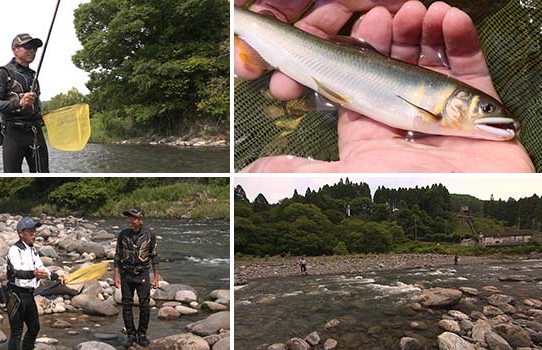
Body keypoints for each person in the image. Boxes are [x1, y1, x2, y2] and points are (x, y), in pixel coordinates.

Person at [234, 0, 534, 173]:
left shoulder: (450, 124)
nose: (488, 114)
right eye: (485, 108)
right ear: (456, 102)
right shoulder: (436, 118)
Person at [0, 33, 49, 173]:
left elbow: (34, 105)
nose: (32, 51)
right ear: (15, 49)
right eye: (27, 47)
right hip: (13, 134)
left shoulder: (33, 75)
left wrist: (40, 114)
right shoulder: (3, 72)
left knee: (43, 173)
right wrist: (18, 103)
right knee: (11, 175)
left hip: (35, 132)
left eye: (34, 48)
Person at [6, 216, 64, 350]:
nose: (34, 233)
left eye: (34, 230)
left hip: (29, 295)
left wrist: (56, 276)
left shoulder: (32, 249)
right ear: (21, 234)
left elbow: (41, 269)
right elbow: (17, 272)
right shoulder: (14, 250)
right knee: (17, 332)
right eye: (30, 230)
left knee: (34, 327)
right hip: (16, 295)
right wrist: (34, 274)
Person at [114, 209, 160, 348]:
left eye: (132, 218)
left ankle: (142, 334)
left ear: (140, 220)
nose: (129, 221)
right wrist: (116, 275)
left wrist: (156, 277)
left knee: (144, 305)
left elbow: (155, 256)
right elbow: (117, 255)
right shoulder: (122, 235)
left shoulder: (150, 235)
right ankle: (131, 334)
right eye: (128, 218)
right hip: (126, 274)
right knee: (126, 305)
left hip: (142, 274)